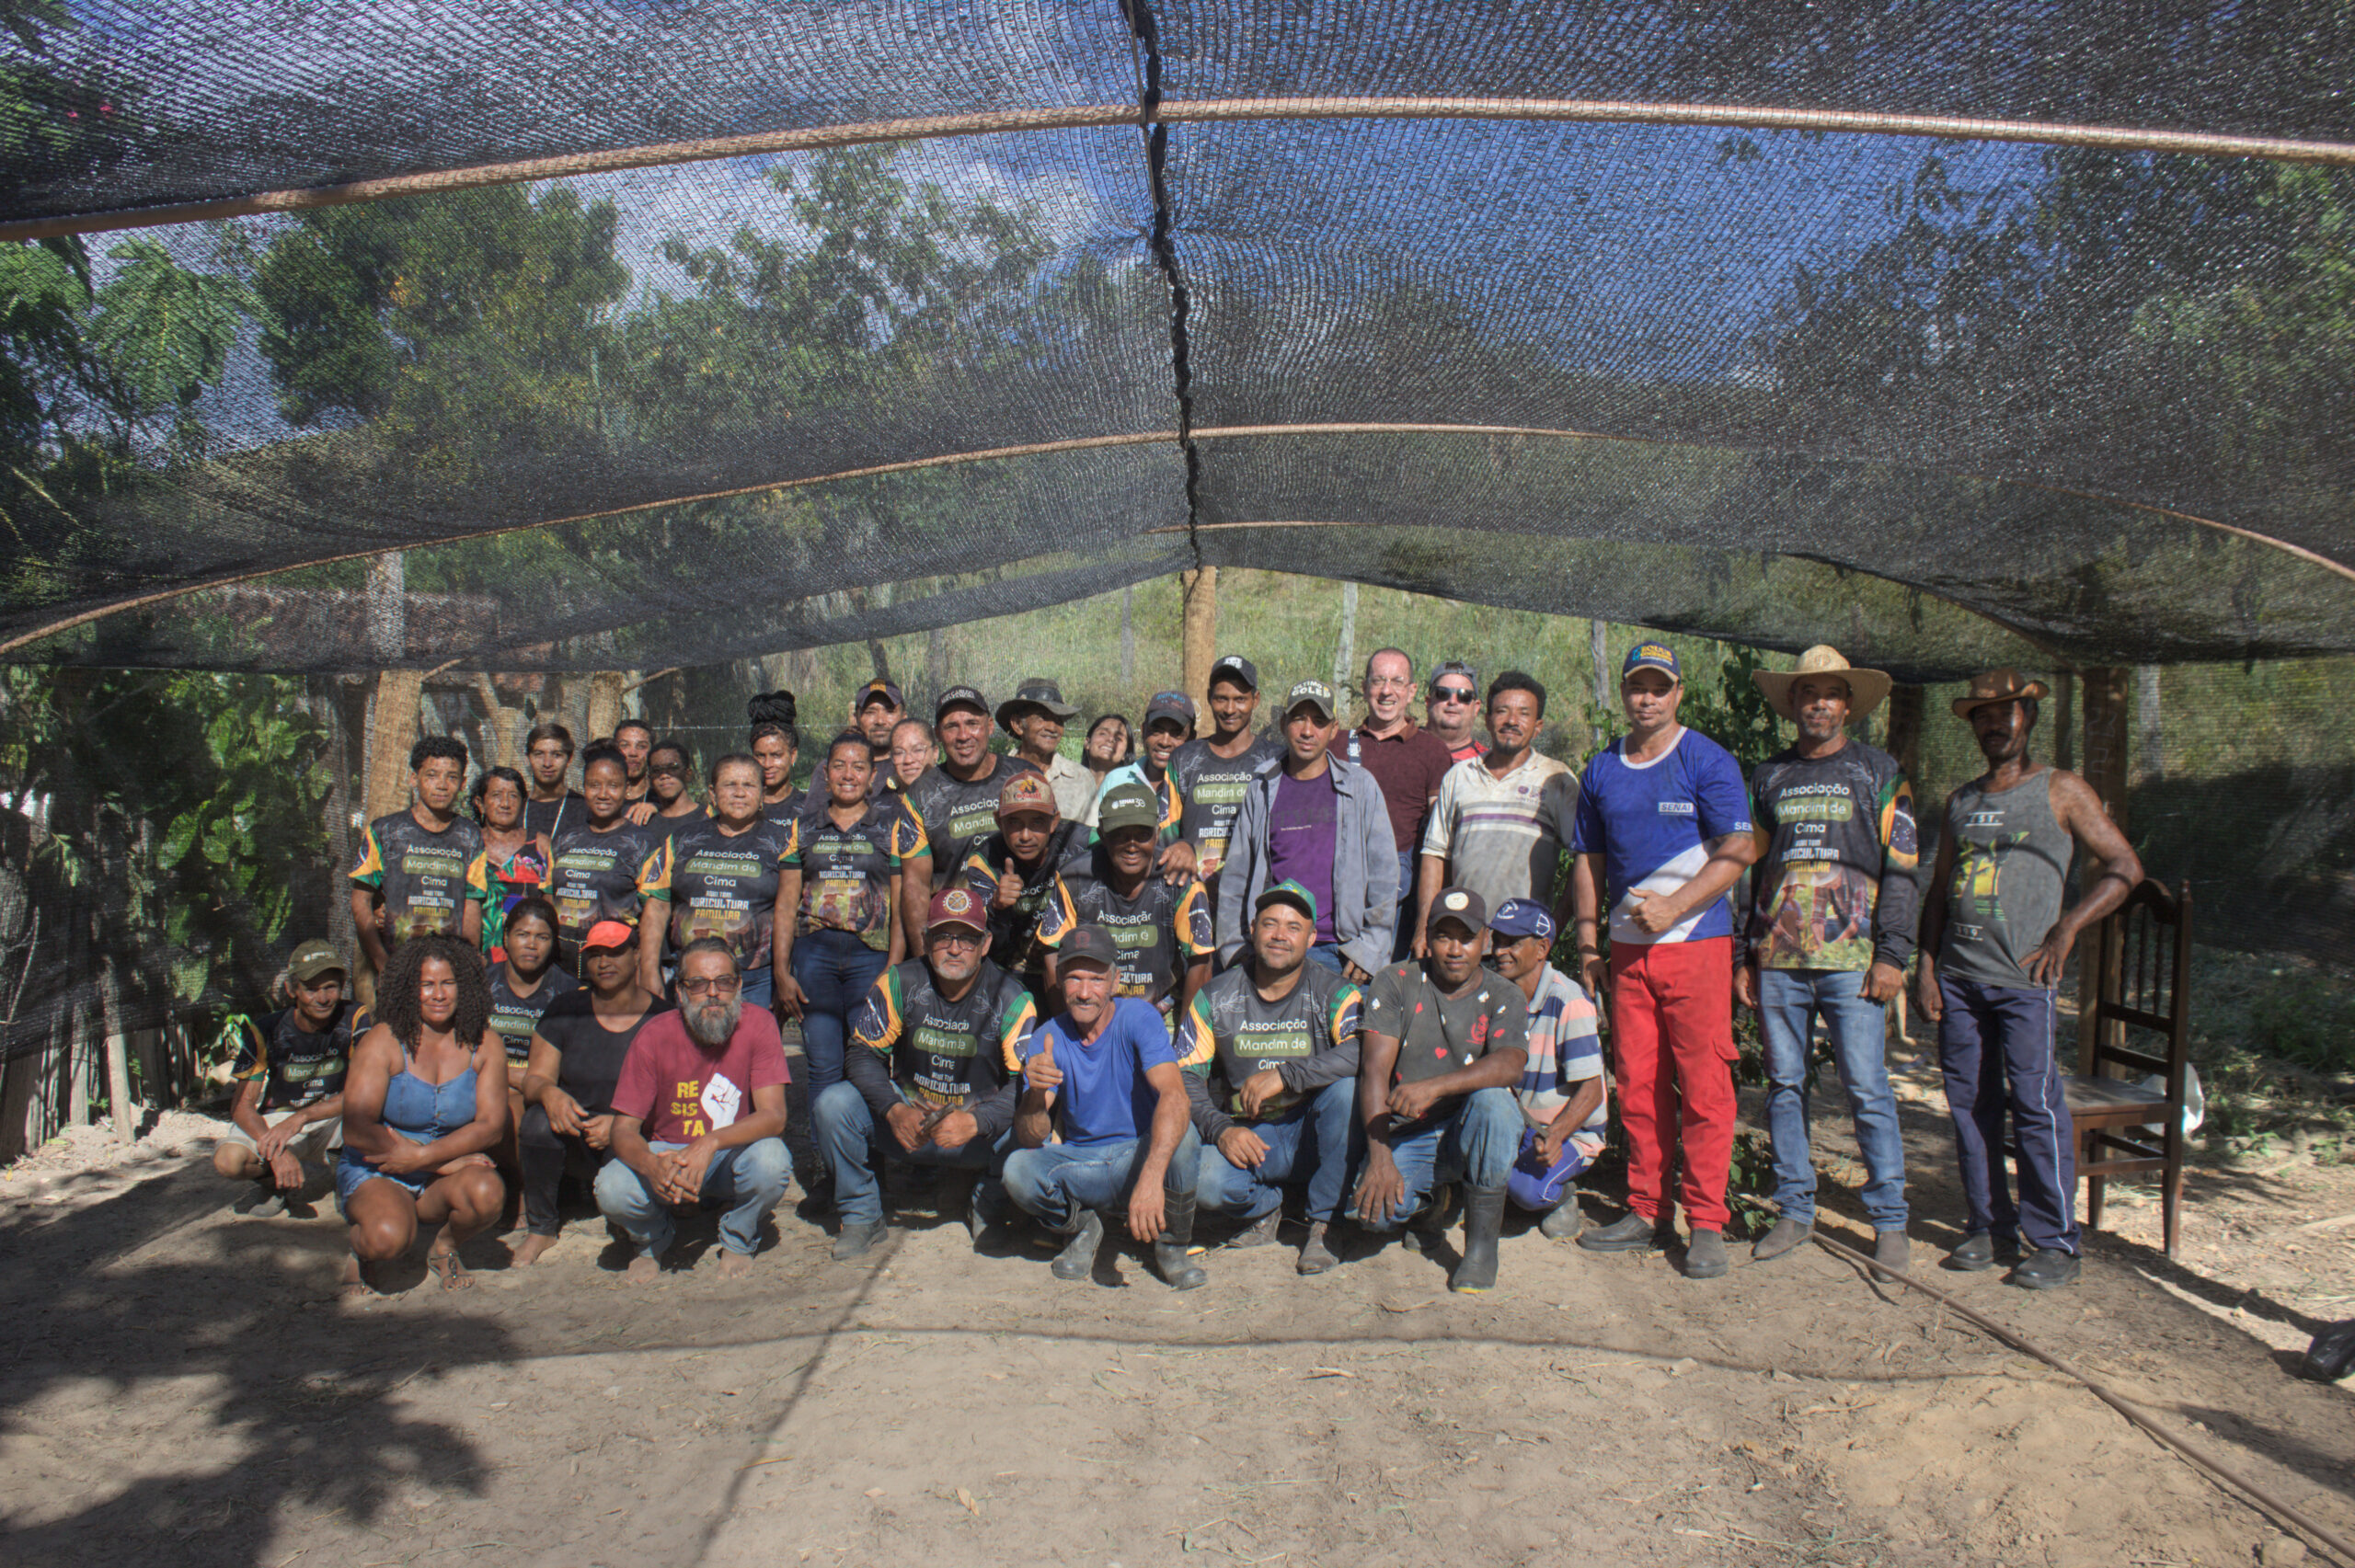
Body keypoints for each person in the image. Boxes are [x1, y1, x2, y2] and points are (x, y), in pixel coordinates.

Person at [1917, 669, 2142, 1290]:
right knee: (1971, 1104)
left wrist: (2069, 926)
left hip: (2024, 982)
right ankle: (1989, 1225)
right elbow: (1938, 891)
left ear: (2029, 718)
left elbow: (2125, 866)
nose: (1994, 724)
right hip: (1960, 980)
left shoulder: (2061, 791)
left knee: (2036, 1105)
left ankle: (2054, 1241)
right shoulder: (1961, 801)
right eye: (1983, 716)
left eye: (2006, 713)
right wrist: (1927, 967)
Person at [1570, 643, 1759, 1281]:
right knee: (1639, 1084)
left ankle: (1705, 1222)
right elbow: (1589, 861)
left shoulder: (1705, 758)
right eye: (1637, 687)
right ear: (1624, 693)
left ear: (1679, 693)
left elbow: (1740, 847)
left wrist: (1677, 905)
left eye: (1659, 687)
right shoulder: (1603, 768)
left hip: (1697, 945)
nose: (1646, 698)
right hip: (1627, 954)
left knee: (1705, 1085)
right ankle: (1646, 1209)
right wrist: (1590, 944)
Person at [1738, 647, 1919, 1274]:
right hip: (1779, 960)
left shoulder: (1879, 773)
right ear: (1792, 703)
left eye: (1830, 694)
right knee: (1785, 1084)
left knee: (1867, 1087)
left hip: (1855, 962)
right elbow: (1749, 870)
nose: (1818, 704)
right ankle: (1794, 1209)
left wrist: (1892, 954)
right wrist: (1744, 953)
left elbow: (1903, 870)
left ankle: (1889, 1220)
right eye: (1807, 693)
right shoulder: (1768, 777)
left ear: (1848, 704)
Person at [820, 886, 1039, 1259]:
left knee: (1035, 1122)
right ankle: (861, 1215)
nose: (954, 949)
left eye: (967, 939)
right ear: (925, 941)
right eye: (943, 937)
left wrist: (978, 1121)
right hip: (910, 1126)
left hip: (974, 1135)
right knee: (833, 1104)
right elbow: (861, 1054)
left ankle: (987, 1205)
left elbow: (1023, 1084)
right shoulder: (898, 981)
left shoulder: (1012, 998)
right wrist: (893, 1109)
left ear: (985, 944)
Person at [1005, 926, 1206, 1289]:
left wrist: (1151, 1179)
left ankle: (1173, 1246)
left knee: (1185, 1134)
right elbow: (1031, 1136)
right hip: (1084, 1162)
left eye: (1096, 979)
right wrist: (1035, 1095)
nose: (1084, 992)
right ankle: (1083, 1225)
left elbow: (1176, 1097)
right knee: (1017, 1169)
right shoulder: (1047, 1037)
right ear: (1060, 980)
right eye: (1074, 978)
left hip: (1138, 1155)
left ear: (1115, 981)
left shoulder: (1138, 1018)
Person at [1350, 888, 1529, 1293]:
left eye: (1466, 938)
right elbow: (1374, 1071)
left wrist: (1435, 1086)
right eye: (1444, 936)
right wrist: (1380, 1159)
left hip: (1468, 1129)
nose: (1455, 949)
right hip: (1410, 1129)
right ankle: (1435, 1202)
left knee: (1495, 1103)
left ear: (1485, 940)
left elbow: (1511, 1063)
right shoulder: (1395, 981)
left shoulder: (1504, 993)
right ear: (1427, 937)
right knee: (1374, 1217)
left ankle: (1481, 1249)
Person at [1183, 882, 1364, 1276]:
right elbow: (1185, 1076)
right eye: (1270, 924)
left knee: (1347, 1092)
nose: (1280, 935)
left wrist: (1287, 1075)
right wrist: (1221, 1130)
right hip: (1253, 1137)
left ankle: (1324, 1223)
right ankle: (1267, 1207)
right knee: (1204, 1179)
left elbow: (1362, 1052)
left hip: (1315, 1132)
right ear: (1252, 929)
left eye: (1293, 927)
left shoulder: (1336, 992)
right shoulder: (1214, 996)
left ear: (1311, 938)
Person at [596, 938, 794, 1281]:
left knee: (772, 1160)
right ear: (680, 991)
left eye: (724, 982)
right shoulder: (653, 1034)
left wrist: (709, 1142)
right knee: (611, 1188)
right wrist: (651, 1166)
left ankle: (739, 1237)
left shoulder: (760, 1023)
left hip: (729, 1152)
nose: (713, 993)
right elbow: (623, 1130)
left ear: (739, 986)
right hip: (667, 1153)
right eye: (699, 984)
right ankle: (652, 1239)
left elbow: (774, 1116)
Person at [335, 934, 508, 1296]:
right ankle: (358, 1246)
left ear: (465, 987)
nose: (438, 994)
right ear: (407, 988)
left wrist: (426, 1158)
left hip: (438, 1167)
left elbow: (492, 1127)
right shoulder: (382, 1041)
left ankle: (444, 1247)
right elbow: (357, 1129)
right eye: (426, 984)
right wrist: (436, 1162)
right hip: (379, 1166)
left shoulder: (486, 1043)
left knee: (486, 1192)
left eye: (448, 983)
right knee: (387, 1238)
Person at [775, 732, 925, 1112]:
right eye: (839, 766)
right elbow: (786, 903)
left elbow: (899, 903)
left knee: (868, 1060)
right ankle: (825, 1148)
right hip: (814, 956)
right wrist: (781, 970)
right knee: (823, 1064)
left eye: (858, 767)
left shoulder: (891, 826)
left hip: (870, 956)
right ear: (825, 774)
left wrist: (893, 965)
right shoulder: (803, 828)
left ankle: (870, 1146)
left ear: (873, 776)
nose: (848, 775)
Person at [1215, 679, 1398, 984]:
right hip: (1273, 948)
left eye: (1319, 721)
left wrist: (1370, 949)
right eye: (1298, 718)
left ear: (1334, 729)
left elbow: (1385, 876)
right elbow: (1237, 875)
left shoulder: (1360, 787)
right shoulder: (1262, 787)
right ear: (1283, 724)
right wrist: (1235, 947)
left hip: (1341, 952)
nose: (1307, 731)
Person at [513, 920, 672, 1265]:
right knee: (535, 1122)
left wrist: (621, 1123)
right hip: (576, 1134)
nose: (604, 963)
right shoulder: (565, 1009)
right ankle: (542, 1227)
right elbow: (535, 1078)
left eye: (614, 953)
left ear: (637, 954)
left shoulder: (663, 1019)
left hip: (636, 1137)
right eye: (595, 954)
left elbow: (676, 1097)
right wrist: (550, 1094)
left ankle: (636, 1221)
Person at [1416, 671, 1580, 949]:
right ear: (1487, 719)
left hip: (1524, 946)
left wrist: (1555, 926)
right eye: (1502, 711)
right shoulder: (1459, 776)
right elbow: (1435, 856)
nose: (1512, 721)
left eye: (1524, 714)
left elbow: (1584, 861)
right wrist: (1424, 929)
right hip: (1461, 942)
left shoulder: (1557, 780)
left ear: (1538, 726)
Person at [1035, 780, 1215, 1026]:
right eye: (1120, 834)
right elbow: (1052, 953)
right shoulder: (1074, 878)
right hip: (1090, 1011)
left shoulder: (1181, 882)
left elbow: (1200, 962)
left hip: (1162, 1010)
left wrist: (1187, 1039)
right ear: (1103, 835)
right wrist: (1069, 1030)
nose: (1132, 845)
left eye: (1142, 834)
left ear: (1157, 834)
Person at [213, 940, 363, 1216]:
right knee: (229, 1161)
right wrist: (277, 1152)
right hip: (281, 1120)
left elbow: (363, 1092)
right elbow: (242, 1106)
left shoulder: (356, 1017)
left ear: (342, 986)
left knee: (377, 1107)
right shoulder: (265, 1030)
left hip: (336, 1117)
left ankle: (349, 1176)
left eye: (330, 987)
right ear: (291, 989)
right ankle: (275, 1183)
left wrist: (302, 1117)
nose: (323, 998)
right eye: (311, 988)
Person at [1485, 900, 1606, 1241]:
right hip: (1513, 1123)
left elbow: (1592, 1090)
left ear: (1542, 949)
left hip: (1564, 1131)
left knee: (1526, 1191)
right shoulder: (1494, 992)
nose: (1500, 951)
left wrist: (1556, 1135)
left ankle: (1563, 1195)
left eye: (1512, 942)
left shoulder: (1568, 1000)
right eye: (1498, 941)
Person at [653, 753, 793, 1011]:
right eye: (730, 785)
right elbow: (657, 905)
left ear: (762, 794)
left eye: (749, 785)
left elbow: (789, 910)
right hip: (690, 977)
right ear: (712, 793)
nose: (739, 793)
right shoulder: (682, 839)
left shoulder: (784, 841)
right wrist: (650, 970)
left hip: (755, 978)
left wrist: (783, 972)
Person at [1344, 648, 1455, 960]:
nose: (1386, 691)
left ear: (1412, 691)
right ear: (1364, 687)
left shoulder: (1432, 751)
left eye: (1396, 681)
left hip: (1399, 901)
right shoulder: (1339, 744)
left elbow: (1439, 838)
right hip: (1342, 892)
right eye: (1378, 680)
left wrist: (1426, 920)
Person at [903, 684, 1038, 937]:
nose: (963, 735)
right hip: (955, 937)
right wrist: (925, 952)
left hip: (1023, 932)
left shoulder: (1024, 777)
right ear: (938, 734)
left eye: (972, 723)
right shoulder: (921, 795)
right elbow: (915, 886)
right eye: (951, 726)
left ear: (989, 726)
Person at [350, 734, 488, 974]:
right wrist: (382, 963)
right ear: (414, 778)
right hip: (396, 966)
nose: (442, 785)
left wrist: (466, 964)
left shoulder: (470, 836)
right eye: (432, 775)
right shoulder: (384, 831)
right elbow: (360, 900)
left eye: (451, 777)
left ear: (463, 783)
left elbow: (472, 905)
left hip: (448, 970)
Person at [547, 742, 671, 990]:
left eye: (613, 785)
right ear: (584, 788)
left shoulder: (643, 844)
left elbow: (655, 911)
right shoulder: (564, 840)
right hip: (561, 969)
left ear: (626, 789)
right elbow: (548, 897)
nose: (603, 794)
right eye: (594, 785)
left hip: (615, 969)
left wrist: (648, 970)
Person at [484, 896, 579, 1189]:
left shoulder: (569, 992)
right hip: (485, 1083)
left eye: (542, 937)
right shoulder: (481, 985)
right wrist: (507, 1076)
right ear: (505, 938)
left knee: (514, 1117)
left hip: (541, 1090)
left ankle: (526, 1192)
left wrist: (529, 1081)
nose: (531, 944)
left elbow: (572, 1061)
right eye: (522, 934)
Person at [960, 772, 1085, 996]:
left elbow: (1117, 842)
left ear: (1054, 822)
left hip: (1071, 966)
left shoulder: (1077, 840)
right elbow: (987, 948)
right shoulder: (985, 860)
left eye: (1037, 822)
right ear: (999, 822)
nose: (1025, 835)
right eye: (1014, 823)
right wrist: (997, 908)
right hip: (1009, 975)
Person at [1170, 655, 1284, 885]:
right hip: (1193, 890)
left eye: (1240, 699)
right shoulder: (1184, 759)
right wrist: (1179, 845)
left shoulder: (1275, 760)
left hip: (1255, 891)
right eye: (1221, 699)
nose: (1230, 709)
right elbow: (1166, 829)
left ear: (1256, 700)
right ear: (1209, 697)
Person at [1086, 691, 1191, 864]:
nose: (1165, 741)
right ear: (1143, 731)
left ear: (1192, 737)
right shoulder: (1116, 780)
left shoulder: (1194, 785)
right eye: (1156, 731)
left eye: (1176, 734)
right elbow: (1094, 839)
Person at [471, 765, 553, 965]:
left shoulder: (540, 845)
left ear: (523, 803)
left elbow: (550, 904)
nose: (505, 804)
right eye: (496, 795)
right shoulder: (469, 844)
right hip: (479, 958)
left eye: (513, 796)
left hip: (529, 957)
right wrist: (469, 956)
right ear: (480, 803)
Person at [998, 678, 1095, 821]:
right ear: (1018, 724)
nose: (1052, 728)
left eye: (1058, 719)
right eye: (1042, 717)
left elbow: (1090, 832)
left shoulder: (1080, 778)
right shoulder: (998, 777)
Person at [523, 722, 587, 845]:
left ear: (569, 759)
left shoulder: (584, 808)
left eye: (557, 755)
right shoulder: (516, 806)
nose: (547, 763)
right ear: (527, 758)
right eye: (539, 754)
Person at [748, 691, 803, 826]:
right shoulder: (742, 806)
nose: (767, 764)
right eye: (760, 755)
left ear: (793, 755)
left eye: (776, 755)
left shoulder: (809, 809)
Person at [1424, 660, 1488, 763]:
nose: (1452, 701)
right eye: (1443, 693)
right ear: (1428, 702)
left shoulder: (1487, 763)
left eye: (1464, 695)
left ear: (1476, 708)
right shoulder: (1402, 745)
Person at [645, 736, 706, 831]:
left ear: (688, 774)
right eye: (656, 770)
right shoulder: (645, 823)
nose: (664, 775)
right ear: (650, 779)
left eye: (673, 768)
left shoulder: (710, 817)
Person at [1079, 712, 1132, 816]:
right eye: (1103, 733)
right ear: (1087, 743)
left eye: (1118, 738)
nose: (1110, 739)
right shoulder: (1067, 784)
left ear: (1125, 754)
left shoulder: (1130, 795)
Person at [852, 678, 908, 773]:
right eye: (870, 712)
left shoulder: (915, 768)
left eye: (889, 711)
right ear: (856, 719)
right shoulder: (839, 771)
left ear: (904, 718)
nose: (880, 721)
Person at [886, 715, 936, 797]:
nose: (908, 760)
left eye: (918, 750)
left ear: (935, 752)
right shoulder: (882, 804)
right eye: (899, 753)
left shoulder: (954, 798)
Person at [612, 717, 656, 803]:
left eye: (642, 746)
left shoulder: (659, 798)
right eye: (624, 745)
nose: (633, 753)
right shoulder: (602, 797)